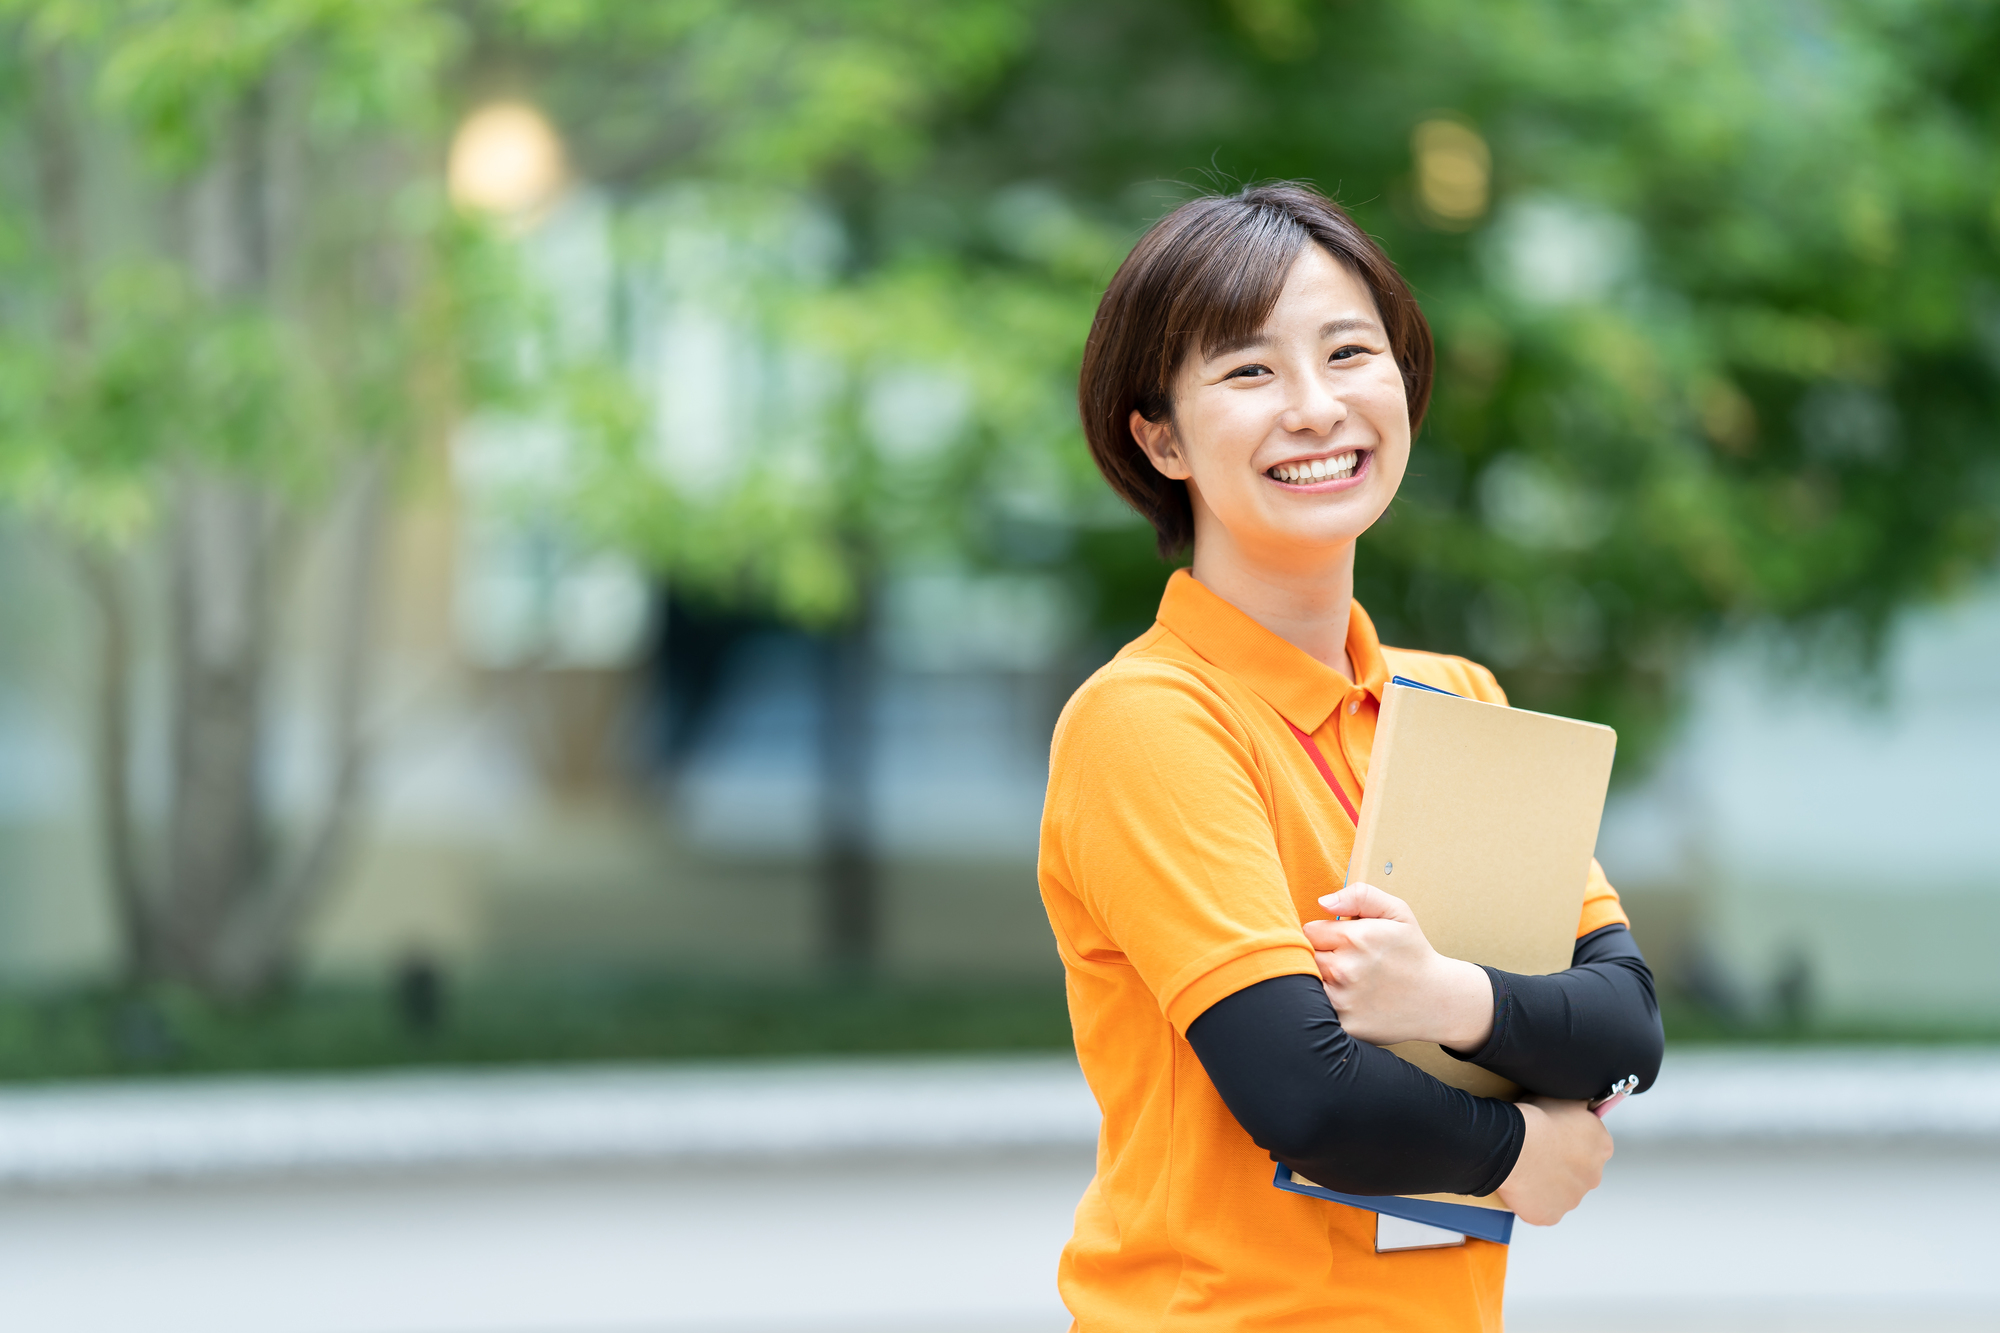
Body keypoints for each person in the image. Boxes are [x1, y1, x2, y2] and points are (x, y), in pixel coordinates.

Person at [1037, 182, 1665, 1332]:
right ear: (1158, 436)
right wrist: (1517, 1147)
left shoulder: (1455, 699)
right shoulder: (1149, 718)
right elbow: (1301, 1090)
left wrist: (1441, 995)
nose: (1316, 407)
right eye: (1247, 371)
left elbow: (1624, 1023)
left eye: (1348, 352)